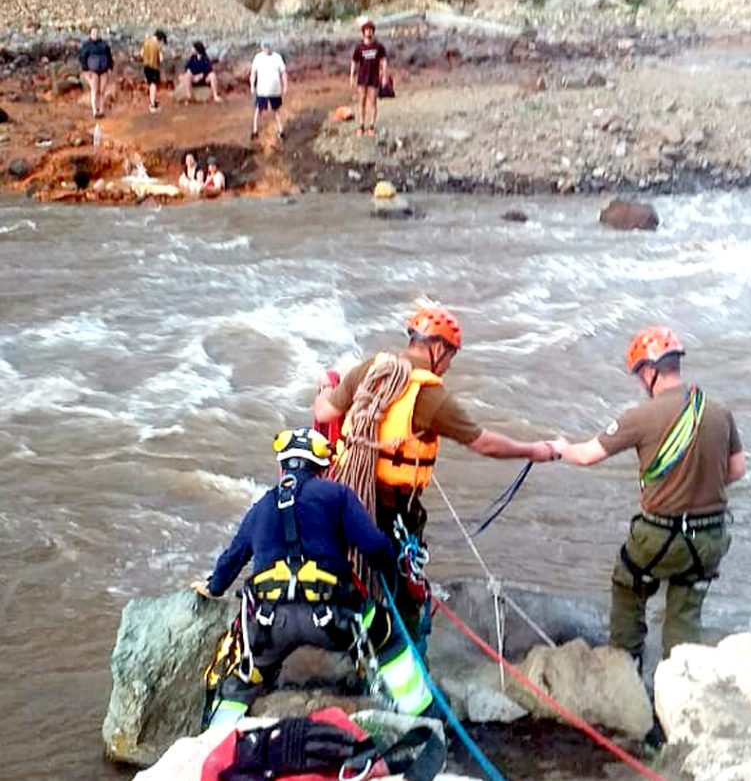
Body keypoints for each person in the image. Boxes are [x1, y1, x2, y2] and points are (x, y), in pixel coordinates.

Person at [313, 306, 559, 637]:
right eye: (450, 358)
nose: (448, 367)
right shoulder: (431, 396)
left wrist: (328, 387)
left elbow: (324, 410)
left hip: (345, 498)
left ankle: (353, 642)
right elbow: (483, 443)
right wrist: (533, 450)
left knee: (355, 577)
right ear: (438, 349)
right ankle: (406, 655)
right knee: (403, 594)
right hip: (392, 510)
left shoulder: (371, 369)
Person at [192, 428, 435, 729]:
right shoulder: (337, 495)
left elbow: (230, 563)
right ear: (322, 468)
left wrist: (210, 586)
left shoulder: (260, 508)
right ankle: (422, 717)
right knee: (387, 635)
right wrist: (389, 572)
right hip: (334, 622)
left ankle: (216, 734)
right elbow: (374, 546)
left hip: (270, 627)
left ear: (281, 467)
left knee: (241, 669)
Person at [551, 326, 745, 668]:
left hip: (659, 537)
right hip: (710, 540)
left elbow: (586, 456)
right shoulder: (718, 411)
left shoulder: (639, 417)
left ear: (650, 371)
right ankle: (680, 678)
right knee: (685, 611)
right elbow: (736, 470)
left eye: (640, 373)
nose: (641, 381)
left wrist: (560, 448)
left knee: (627, 582)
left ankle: (626, 665)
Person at [350, 17, 387, 138]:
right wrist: (351, 76)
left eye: (371, 30)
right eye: (366, 30)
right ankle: (361, 125)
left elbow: (384, 60)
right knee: (361, 102)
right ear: (363, 32)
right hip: (362, 78)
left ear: (373, 31)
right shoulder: (359, 48)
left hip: (374, 78)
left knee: (373, 102)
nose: (369, 32)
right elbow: (354, 62)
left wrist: (384, 75)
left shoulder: (379, 47)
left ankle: (371, 126)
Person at [249, 38, 287, 140]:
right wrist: (252, 85)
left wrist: (285, 85)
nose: (266, 48)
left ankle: (280, 130)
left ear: (271, 46)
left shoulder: (277, 57)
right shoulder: (258, 57)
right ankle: (255, 130)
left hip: (275, 90)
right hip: (262, 90)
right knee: (258, 110)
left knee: (276, 111)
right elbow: (253, 73)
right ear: (262, 47)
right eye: (264, 46)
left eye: (268, 46)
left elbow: (283, 73)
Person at [78, 26, 113, 119]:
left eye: (97, 32)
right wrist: (86, 70)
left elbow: (109, 57)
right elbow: (82, 58)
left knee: (102, 91)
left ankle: (101, 110)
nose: (95, 34)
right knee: (94, 90)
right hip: (92, 71)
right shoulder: (87, 45)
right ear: (90, 34)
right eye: (93, 33)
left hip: (104, 70)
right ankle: (95, 110)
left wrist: (110, 68)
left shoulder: (104, 45)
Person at [140, 28, 167, 113]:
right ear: (160, 38)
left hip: (146, 66)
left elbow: (141, 54)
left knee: (150, 84)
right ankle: (152, 104)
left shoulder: (146, 41)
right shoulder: (157, 45)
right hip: (154, 67)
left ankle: (152, 102)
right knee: (153, 85)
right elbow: (161, 59)